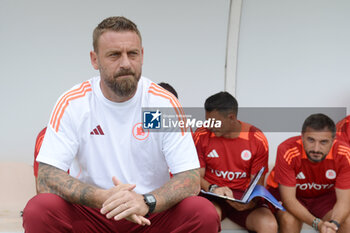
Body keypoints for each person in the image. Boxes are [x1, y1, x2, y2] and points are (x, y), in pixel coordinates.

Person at [23, 16, 220, 233]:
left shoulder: (162, 104)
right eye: (114, 55)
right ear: (94, 59)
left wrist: (147, 201)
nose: (125, 63)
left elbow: (190, 178)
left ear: (142, 55)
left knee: (202, 212)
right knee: (40, 209)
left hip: (150, 213)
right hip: (93, 213)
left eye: (132, 54)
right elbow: (47, 176)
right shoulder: (73, 103)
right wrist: (102, 197)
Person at [32, 82, 179, 192]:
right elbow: (44, 185)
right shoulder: (48, 136)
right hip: (84, 203)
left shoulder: (177, 134)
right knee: (40, 207)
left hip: (152, 205)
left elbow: (185, 180)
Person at [193, 92, 278, 233]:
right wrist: (213, 188)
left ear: (231, 117)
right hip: (212, 195)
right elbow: (196, 175)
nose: (209, 125)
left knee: (269, 226)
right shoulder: (202, 134)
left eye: (214, 122)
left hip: (243, 198)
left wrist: (251, 203)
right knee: (206, 218)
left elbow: (258, 183)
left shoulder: (256, 138)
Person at [266, 113, 350, 233]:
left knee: (346, 223)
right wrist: (318, 224)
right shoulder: (287, 149)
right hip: (294, 195)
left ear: (333, 140)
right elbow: (289, 200)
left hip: (323, 196)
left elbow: (344, 202)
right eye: (311, 140)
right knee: (289, 221)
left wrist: (334, 223)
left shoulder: (344, 153)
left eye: (324, 142)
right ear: (302, 136)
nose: (316, 148)